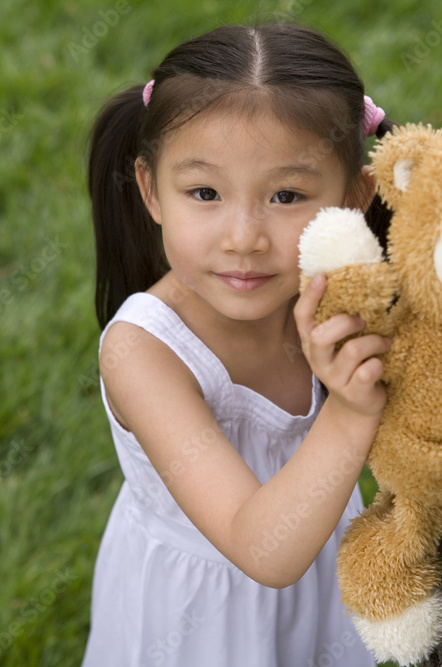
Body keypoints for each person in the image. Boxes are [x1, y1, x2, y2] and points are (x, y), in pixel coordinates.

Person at [83, 22, 394, 667]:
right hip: (196, 621)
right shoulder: (144, 351)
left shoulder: (340, 299)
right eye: (205, 193)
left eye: (286, 195)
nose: (244, 236)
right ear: (150, 192)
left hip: (318, 585)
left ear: (353, 200)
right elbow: (264, 551)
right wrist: (350, 410)